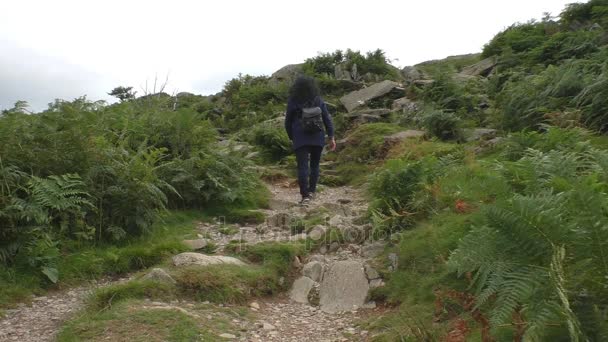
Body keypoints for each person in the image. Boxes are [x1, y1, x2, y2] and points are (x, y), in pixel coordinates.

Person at [285, 76, 336, 205]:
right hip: (317, 136)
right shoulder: (318, 99)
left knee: (302, 166)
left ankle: (305, 196)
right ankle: (312, 191)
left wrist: (292, 137)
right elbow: (326, 118)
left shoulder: (293, 101)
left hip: (300, 137)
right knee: (315, 165)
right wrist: (331, 136)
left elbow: (288, 122)